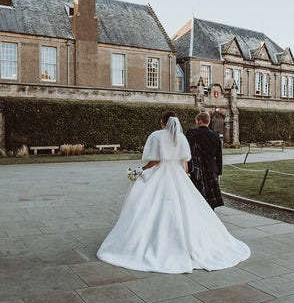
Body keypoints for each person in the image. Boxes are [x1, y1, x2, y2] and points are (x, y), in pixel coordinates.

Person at [96, 111, 250, 274]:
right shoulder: (181, 138)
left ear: (163, 122)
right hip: (178, 174)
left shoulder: (157, 136)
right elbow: (184, 163)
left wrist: (141, 169)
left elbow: (155, 160)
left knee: (148, 205)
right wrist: (184, 177)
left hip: (161, 173)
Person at [186, 112, 224, 209]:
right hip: (212, 169)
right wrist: (218, 173)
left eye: (196, 121)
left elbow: (188, 152)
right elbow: (219, 157)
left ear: (199, 121)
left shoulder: (192, 133)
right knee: (211, 200)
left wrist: (188, 168)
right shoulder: (216, 136)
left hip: (197, 169)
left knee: (197, 198)